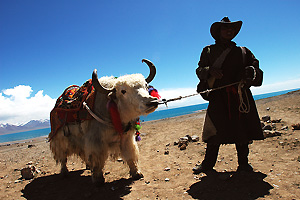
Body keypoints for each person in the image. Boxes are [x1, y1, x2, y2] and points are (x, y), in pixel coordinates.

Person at [193, 17, 264, 174]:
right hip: (218, 97)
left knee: (242, 130)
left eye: (232, 29)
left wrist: (250, 72)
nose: (229, 31)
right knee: (214, 131)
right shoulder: (208, 51)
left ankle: (244, 164)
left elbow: (256, 68)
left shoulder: (244, 52)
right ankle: (207, 165)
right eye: (226, 28)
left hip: (241, 96)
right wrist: (210, 71)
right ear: (218, 32)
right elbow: (199, 70)